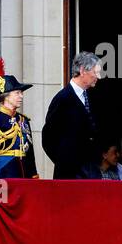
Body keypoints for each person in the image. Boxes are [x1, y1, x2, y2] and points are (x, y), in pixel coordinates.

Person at [42, 51, 103, 179]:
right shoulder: (62, 99)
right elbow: (48, 138)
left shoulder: (93, 97)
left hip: (91, 172)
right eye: (95, 72)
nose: (98, 76)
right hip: (69, 175)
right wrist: (64, 162)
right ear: (82, 71)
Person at [0, 58, 39, 180]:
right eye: (17, 93)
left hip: (24, 174)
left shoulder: (23, 120)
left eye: (21, 93)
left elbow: (30, 152)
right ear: (5, 96)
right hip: (4, 173)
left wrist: (33, 175)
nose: (21, 96)